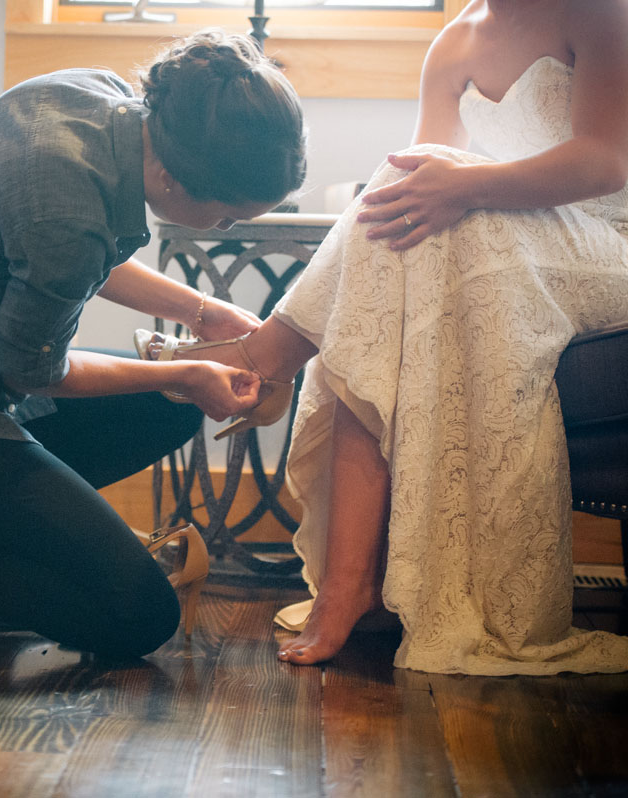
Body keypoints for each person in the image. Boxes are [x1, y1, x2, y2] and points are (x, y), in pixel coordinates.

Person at [139, 0, 628, 674]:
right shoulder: (454, 43)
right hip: (517, 248)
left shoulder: (599, 13)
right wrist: (446, 188)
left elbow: (608, 160)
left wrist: (464, 186)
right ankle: (351, 588)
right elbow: (417, 191)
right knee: (395, 262)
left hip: (609, 243)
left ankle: (264, 358)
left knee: (410, 202)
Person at [0, 31, 308, 660]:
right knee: (137, 613)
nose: (227, 230)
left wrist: (201, 309)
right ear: (171, 176)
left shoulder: (98, 99)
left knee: (171, 403)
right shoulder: (63, 207)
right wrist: (188, 372)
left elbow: (57, 252)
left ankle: (14, 552)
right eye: (225, 217)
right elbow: (35, 369)